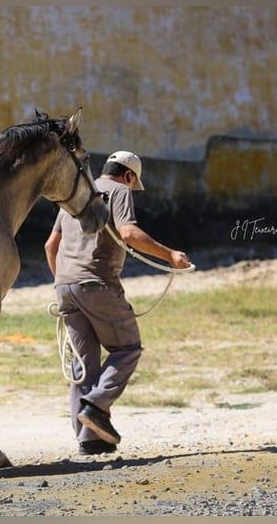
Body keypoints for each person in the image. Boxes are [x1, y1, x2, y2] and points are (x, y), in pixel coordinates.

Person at [44, 150, 192, 455]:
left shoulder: (79, 190)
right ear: (128, 176)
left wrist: (65, 281)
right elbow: (129, 233)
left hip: (65, 287)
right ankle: (96, 406)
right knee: (127, 348)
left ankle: (90, 439)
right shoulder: (119, 191)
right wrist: (170, 255)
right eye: (133, 182)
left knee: (83, 365)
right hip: (97, 284)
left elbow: (51, 245)